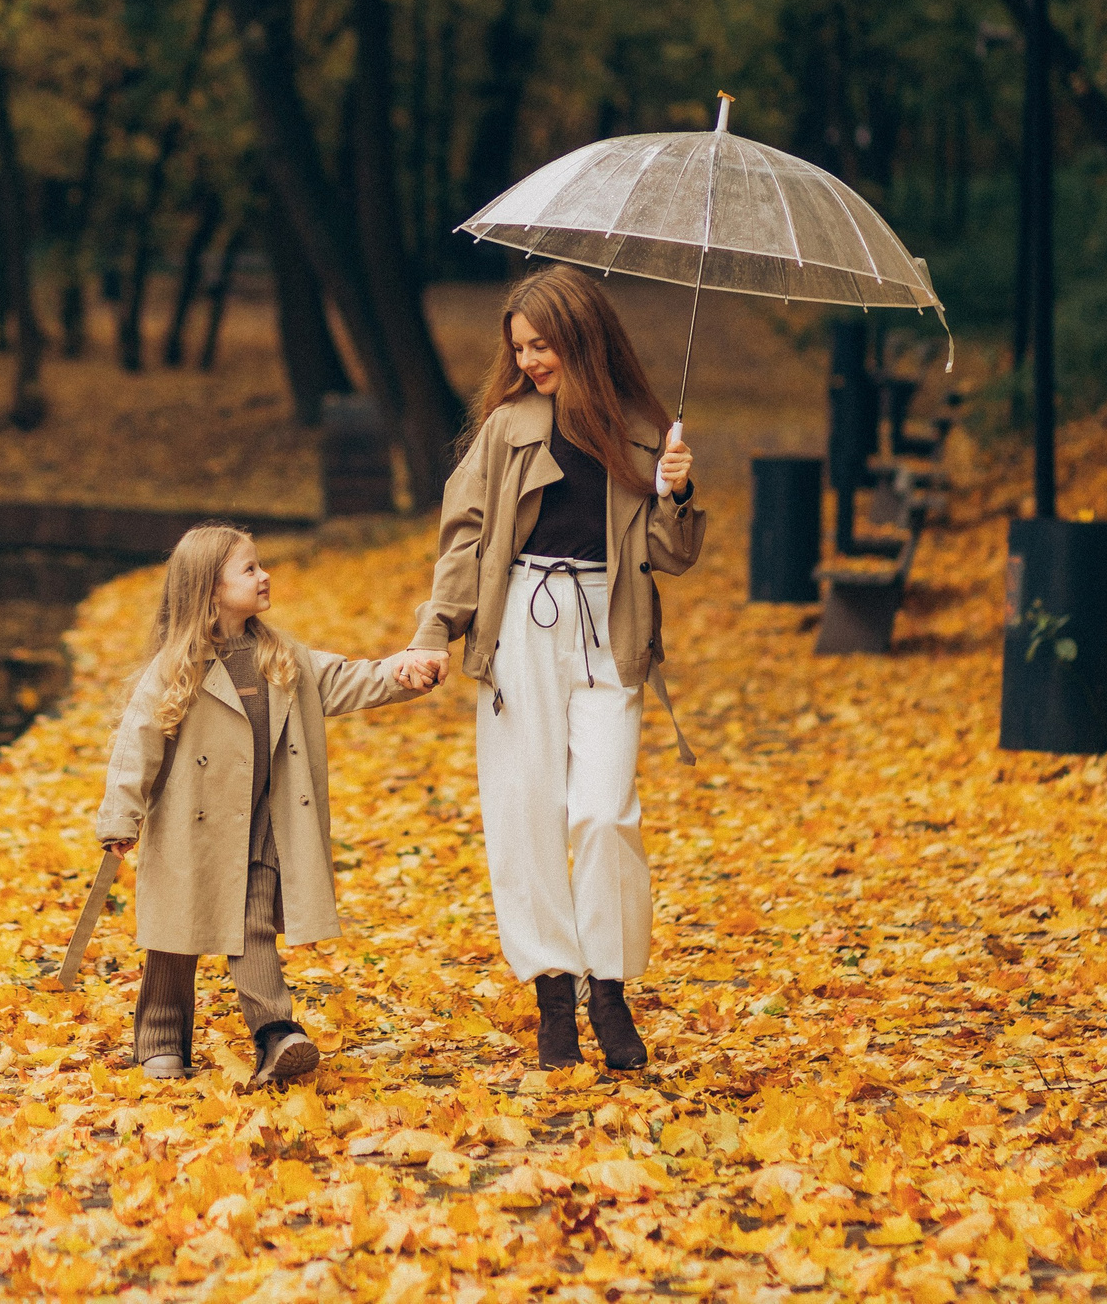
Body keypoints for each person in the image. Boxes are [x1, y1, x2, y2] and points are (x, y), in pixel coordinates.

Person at [400, 266, 705, 1072]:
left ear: (581, 335)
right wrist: (437, 632)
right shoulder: (508, 427)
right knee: (523, 810)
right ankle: (553, 991)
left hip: (612, 627)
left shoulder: (644, 426)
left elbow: (672, 555)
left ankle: (609, 984)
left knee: (606, 812)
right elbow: (465, 537)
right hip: (522, 626)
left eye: (543, 345)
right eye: (521, 348)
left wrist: (676, 490)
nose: (531, 360)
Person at [95, 524, 437, 1088]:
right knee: (175, 936)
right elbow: (137, 746)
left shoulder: (282, 658)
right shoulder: (175, 670)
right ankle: (160, 1038)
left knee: (252, 925)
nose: (264, 575)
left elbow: (353, 679)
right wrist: (120, 817)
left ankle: (277, 1034)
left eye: (260, 565)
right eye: (249, 569)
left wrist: (404, 670)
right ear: (209, 591)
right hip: (189, 825)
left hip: (261, 824)